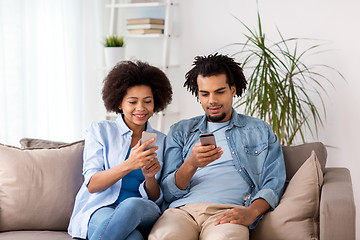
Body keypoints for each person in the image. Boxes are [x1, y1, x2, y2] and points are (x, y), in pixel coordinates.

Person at [148, 53, 286, 240]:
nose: (211, 100)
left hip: (227, 212)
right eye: (205, 94)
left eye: (219, 92)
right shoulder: (181, 131)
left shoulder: (259, 130)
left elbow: (274, 181)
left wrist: (251, 212)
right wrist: (191, 164)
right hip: (182, 212)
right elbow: (167, 192)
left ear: (233, 90)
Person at [68, 60, 173, 240]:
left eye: (147, 101)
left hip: (143, 211)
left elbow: (156, 198)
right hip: (101, 208)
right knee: (134, 238)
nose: (141, 108)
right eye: (132, 102)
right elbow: (92, 184)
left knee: (133, 205)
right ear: (119, 103)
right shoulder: (100, 131)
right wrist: (129, 164)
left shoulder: (162, 140)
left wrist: (150, 178)